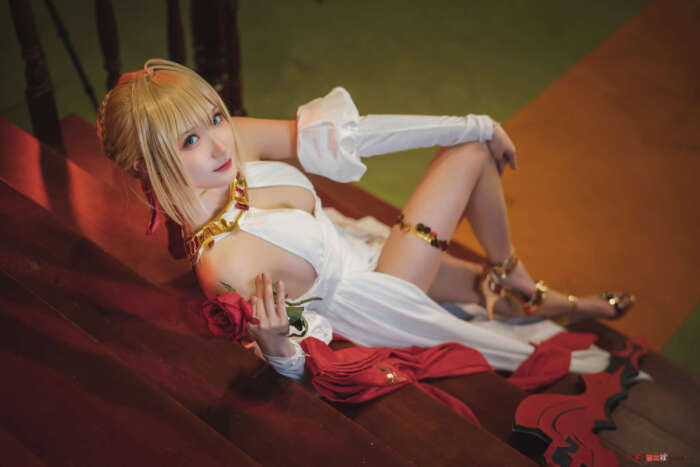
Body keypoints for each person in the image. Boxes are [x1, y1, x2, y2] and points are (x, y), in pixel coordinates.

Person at [97, 59, 634, 382]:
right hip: (370, 300)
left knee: (480, 283)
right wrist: (278, 347)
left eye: (213, 117)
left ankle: (534, 289)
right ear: (146, 166)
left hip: (358, 248)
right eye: (190, 140)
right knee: (471, 154)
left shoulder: (233, 140)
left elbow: (346, 136)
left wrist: (470, 121)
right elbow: (301, 362)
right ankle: (517, 276)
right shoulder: (225, 265)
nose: (219, 143)